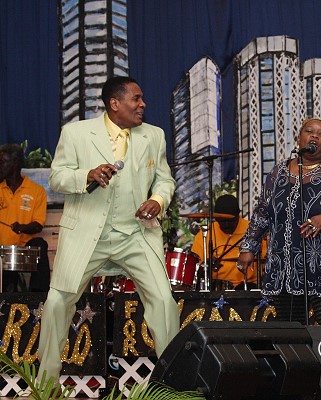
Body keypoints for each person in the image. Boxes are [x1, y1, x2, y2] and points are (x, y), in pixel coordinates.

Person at [38, 76, 179, 382]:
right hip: (87, 235)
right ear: (114, 103)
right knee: (57, 303)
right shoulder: (76, 133)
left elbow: (165, 180)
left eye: (141, 99)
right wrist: (86, 175)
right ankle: (45, 384)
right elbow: (57, 178)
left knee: (163, 302)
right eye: (136, 99)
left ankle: (174, 385)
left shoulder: (154, 135)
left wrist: (157, 200)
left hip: (136, 234)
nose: (143, 105)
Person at [236, 118, 321, 325]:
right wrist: (248, 247)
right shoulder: (279, 172)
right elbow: (262, 212)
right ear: (298, 138)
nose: (314, 136)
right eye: (309, 131)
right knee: (290, 331)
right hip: (283, 270)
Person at [0, 143, 51, 292]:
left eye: (2, 162)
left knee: (40, 244)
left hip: (23, 248)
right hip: (1, 250)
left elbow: (38, 225)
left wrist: (22, 227)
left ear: (15, 164)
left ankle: (38, 295)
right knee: (9, 288)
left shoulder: (36, 191)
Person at [191, 194, 261, 290]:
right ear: (215, 218)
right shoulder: (205, 234)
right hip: (216, 289)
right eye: (222, 221)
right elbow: (195, 270)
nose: (226, 225)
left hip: (248, 287)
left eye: (231, 221)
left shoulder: (254, 231)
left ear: (238, 215)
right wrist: (206, 266)